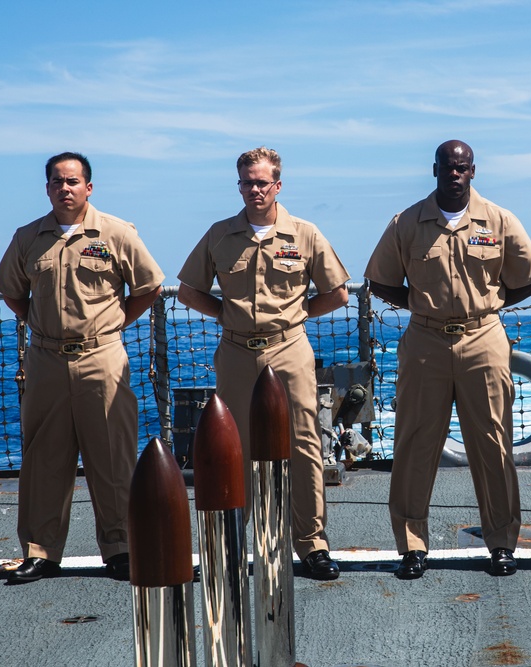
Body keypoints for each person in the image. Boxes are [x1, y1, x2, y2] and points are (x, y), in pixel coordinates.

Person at [365, 140, 531, 579]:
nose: (455, 174)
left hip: (483, 339)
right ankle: (411, 546)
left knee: (493, 443)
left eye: (462, 168)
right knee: (414, 444)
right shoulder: (407, 222)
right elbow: (380, 281)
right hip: (425, 341)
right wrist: (422, 306)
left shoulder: (499, 220)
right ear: (435, 170)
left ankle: (501, 543)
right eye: (448, 167)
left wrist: (492, 301)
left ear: (473, 171)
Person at [178, 147, 349, 581]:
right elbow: (189, 291)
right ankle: (232, 545)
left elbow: (338, 293)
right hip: (236, 352)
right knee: (233, 447)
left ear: (278, 185)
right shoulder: (219, 235)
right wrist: (228, 317)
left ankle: (312, 545)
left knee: (304, 444)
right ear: (239, 185)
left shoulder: (305, 234)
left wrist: (294, 318)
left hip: (289, 349)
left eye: (261, 182)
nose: (254, 189)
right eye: (246, 182)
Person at [0, 152, 164, 584]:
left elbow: (149, 286)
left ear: (89, 187)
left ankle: (121, 547)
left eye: (72, 181)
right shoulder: (28, 237)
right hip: (46, 359)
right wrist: (38, 323)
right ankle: (41, 552)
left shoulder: (117, 233)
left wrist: (114, 324)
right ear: (47, 188)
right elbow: (13, 291)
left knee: (112, 454)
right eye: (56, 182)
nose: (64, 188)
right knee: (44, 457)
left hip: (101, 357)